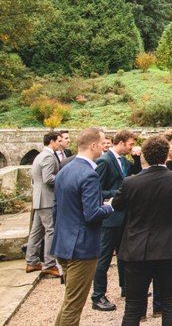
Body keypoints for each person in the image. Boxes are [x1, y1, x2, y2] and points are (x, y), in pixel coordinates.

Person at [113, 135, 172, 326]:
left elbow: (117, 205)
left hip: (136, 249)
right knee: (170, 304)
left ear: (144, 155)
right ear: (166, 156)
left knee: (133, 306)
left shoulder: (131, 182)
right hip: (169, 248)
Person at [51, 127, 114, 326]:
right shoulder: (89, 174)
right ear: (93, 145)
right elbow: (92, 214)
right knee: (73, 305)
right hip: (82, 248)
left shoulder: (65, 168)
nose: (105, 147)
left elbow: (57, 209)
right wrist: (110, 206)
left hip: (63, 243)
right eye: (103, 143)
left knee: (70, 301)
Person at [90, 129, 136, 312]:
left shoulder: (124, 161)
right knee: (104, 258)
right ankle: (98, 296)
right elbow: (97, 191)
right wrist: (118, 193)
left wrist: (138, 159)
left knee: (125, 254)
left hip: (125, 216)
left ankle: (126, 288)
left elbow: (135, 177)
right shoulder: (104, 161)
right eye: (131, 144)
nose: (132, 147)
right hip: (109, 218)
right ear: (122, 142)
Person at [26, 131, 61, 278]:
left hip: (39, 199)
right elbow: (48, 179)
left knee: (37, 231)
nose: (60, 143)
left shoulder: (40, 155)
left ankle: (32, 261)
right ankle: (49, 264)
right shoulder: (48, 156)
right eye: (58, 140)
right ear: (51, 141)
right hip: (46, 199)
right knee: (50, 231)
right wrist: (63, 177)